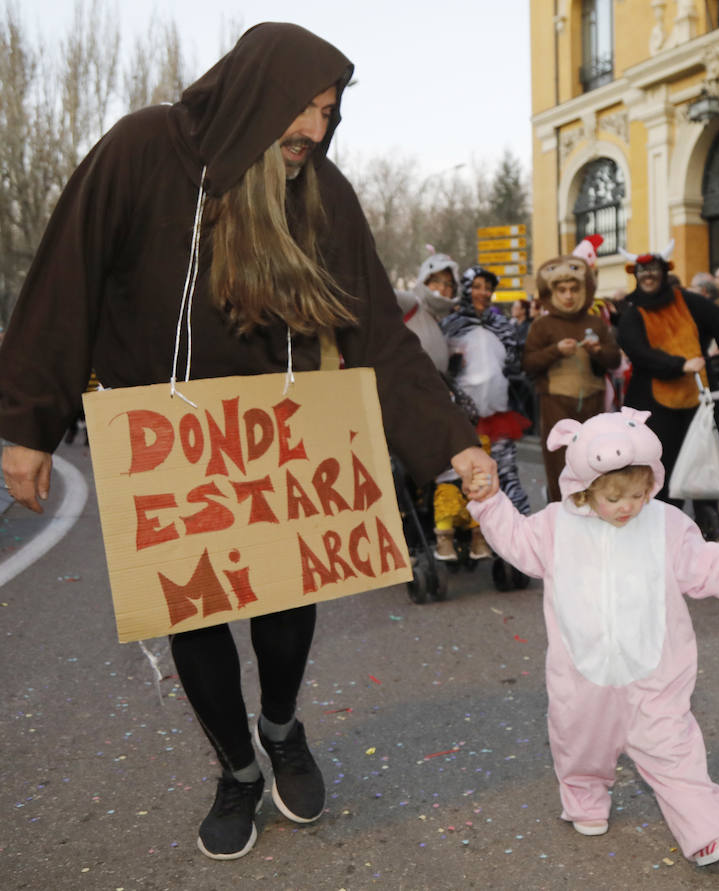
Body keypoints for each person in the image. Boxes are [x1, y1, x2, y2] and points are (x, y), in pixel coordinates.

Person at [0, 23, 497, 861]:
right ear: (253, 94)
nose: (314, 127)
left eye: (328, 112)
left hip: (278, 437)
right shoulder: (141, 150)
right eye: (301, 107)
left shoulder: (323, 192)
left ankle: (281, 725)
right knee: (193, 614)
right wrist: (27, 425)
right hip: (167, 434)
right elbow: (66, 277)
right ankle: (235, 768)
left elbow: (379, 328)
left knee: (286, 603)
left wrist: (456, 443)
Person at [466, 409, 719, 866]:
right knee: (580, 739)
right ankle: (584, 798)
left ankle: (708, 830)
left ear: (652, 482)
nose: (626, 506)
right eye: (612, 497)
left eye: (636, 493)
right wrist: (490, 504)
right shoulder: (556, 526)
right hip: (582, 671)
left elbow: (703, 565)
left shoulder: (666, 524)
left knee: (674, 749)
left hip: (657, 669)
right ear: (585, 488)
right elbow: (516, 540)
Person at [616, 249, 719, 501]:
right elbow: (639, 352)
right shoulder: (632, 314)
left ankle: (707, 524)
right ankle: (664, 523)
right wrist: (679, 365)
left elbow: (718, 322)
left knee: (707, 463)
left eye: (653, 270)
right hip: (654, 402)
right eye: (643, 271)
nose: (648, 276)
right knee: (661, 467)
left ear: (664, 272)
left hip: (698, 398)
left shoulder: (689, 301)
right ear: (636, 275)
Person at [523, 253, 621, 501]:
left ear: (584, 290)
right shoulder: (542, 326)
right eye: (562, 290)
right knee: (560, 463)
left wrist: (598, 351)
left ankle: (594, 511)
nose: (568, 296)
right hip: (556, 403)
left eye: (574, 289)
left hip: (593, 402)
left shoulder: (595, 323)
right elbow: (528, 364)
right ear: (552, 293)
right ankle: (560, 512)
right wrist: (555, 351)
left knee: (593, 460)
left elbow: (615, 359)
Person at [443, 265, 533, 515]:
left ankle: (518, 526)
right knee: (466, 475)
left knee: (506, 472)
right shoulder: (451, 324)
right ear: (466, 289)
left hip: (498, 414)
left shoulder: (501, 324)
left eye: (488, 288)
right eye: (477, 287)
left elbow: (515, 361)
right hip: (464, 418)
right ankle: (475, 535)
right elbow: (440, 369)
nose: (483, 293)